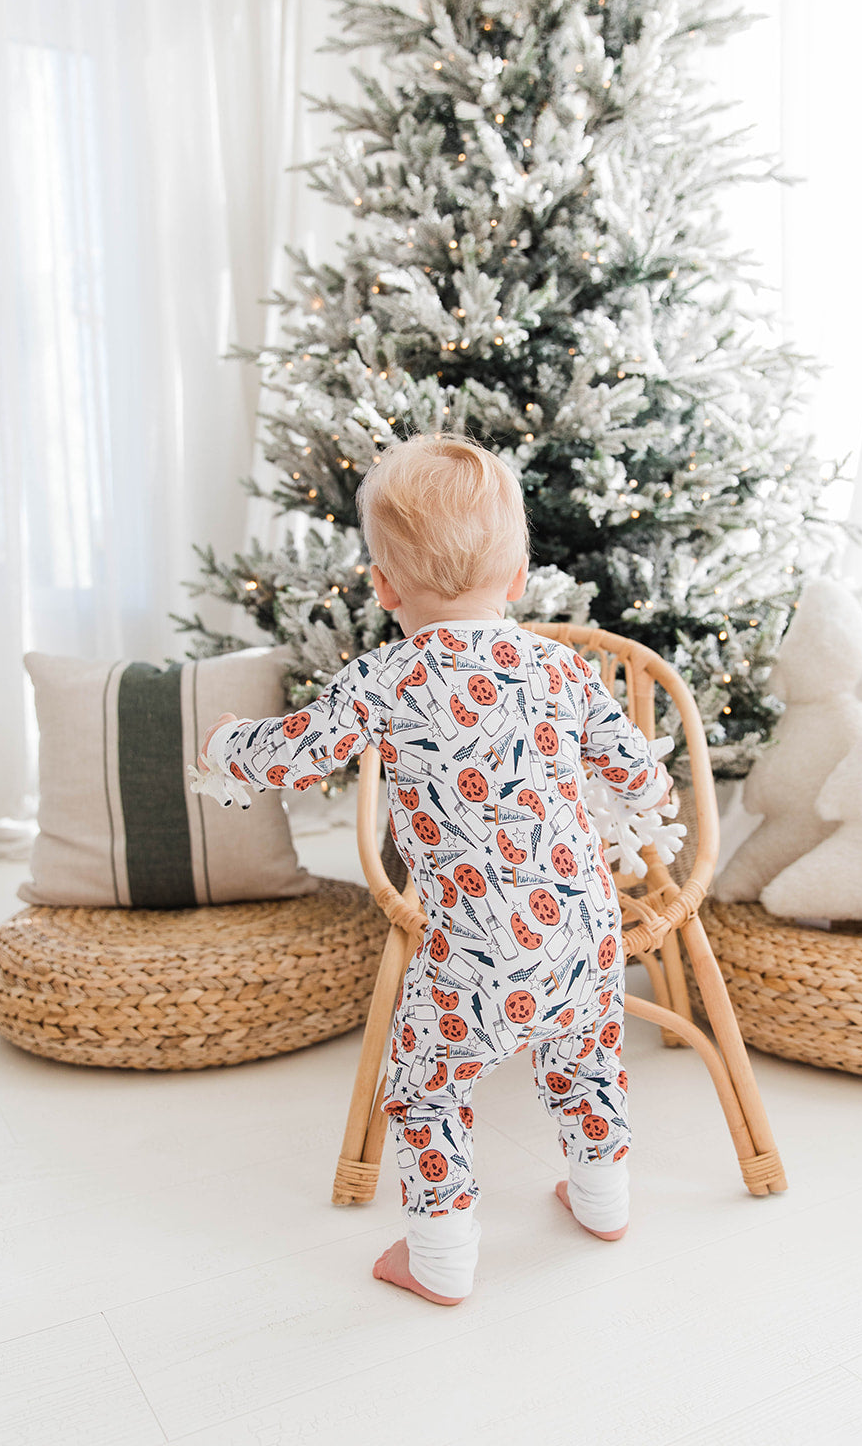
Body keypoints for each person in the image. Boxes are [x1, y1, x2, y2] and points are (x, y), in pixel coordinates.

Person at [198, 433, 670, 1305]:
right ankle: (604, 1204)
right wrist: (630, 791)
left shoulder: (386, 679)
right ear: (520, 577)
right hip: (584, 931)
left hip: (475, 954)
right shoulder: (559, 665)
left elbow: (293, 757)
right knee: (587, 1060)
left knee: (425, 1088)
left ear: (383, 586)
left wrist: (227, 744)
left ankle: (441, 1257)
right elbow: (642, 774)